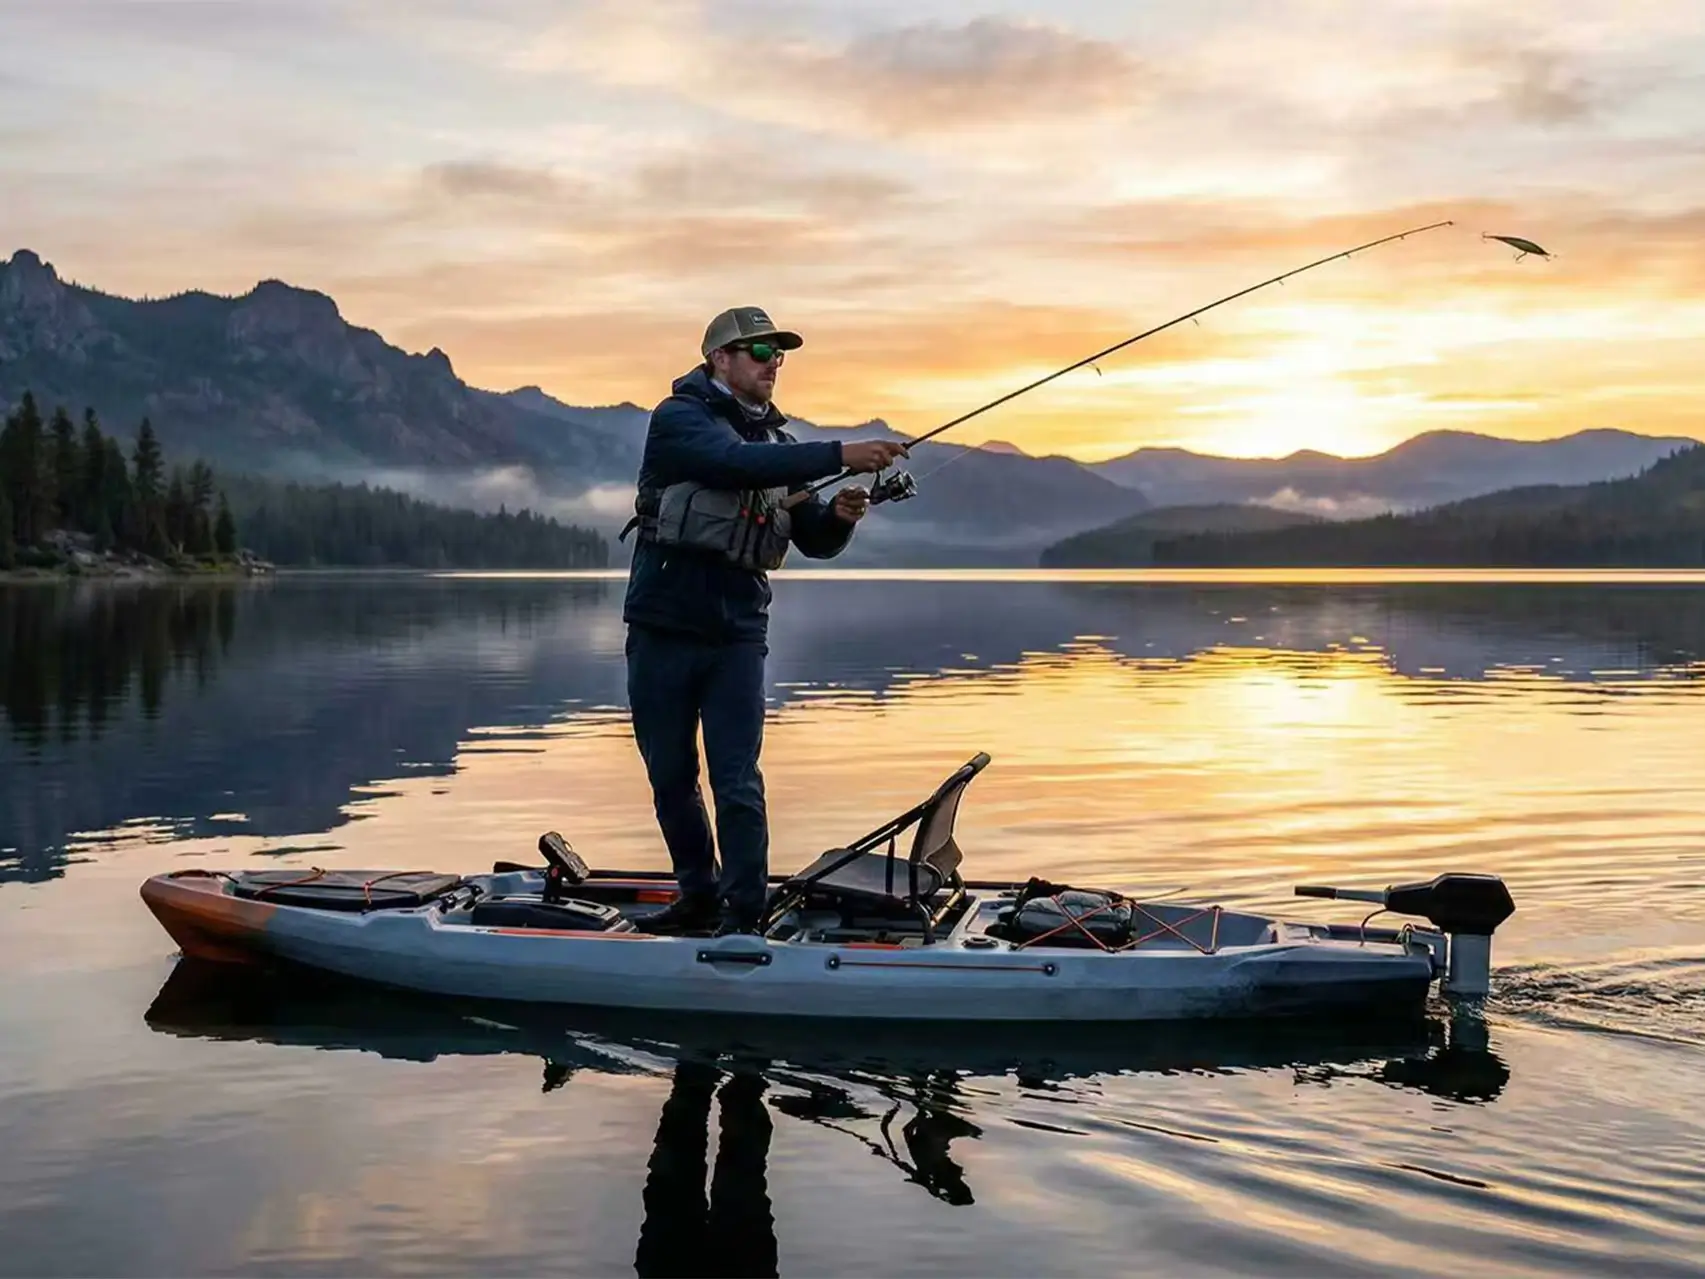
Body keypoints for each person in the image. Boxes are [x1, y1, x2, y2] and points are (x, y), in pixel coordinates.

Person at [621, 306, 908, 934]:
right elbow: (729, 464)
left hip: (738, 635)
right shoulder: (678, 420)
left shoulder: (779, 445)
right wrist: (840, 451)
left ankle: (745, 916)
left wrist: (840, 517)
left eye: (778, 353)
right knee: (671, 776)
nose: (773, 362)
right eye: (759, 351)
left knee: (736, 779)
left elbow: (813, 541)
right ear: (719, 359)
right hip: (662, 628)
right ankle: (697, 897)